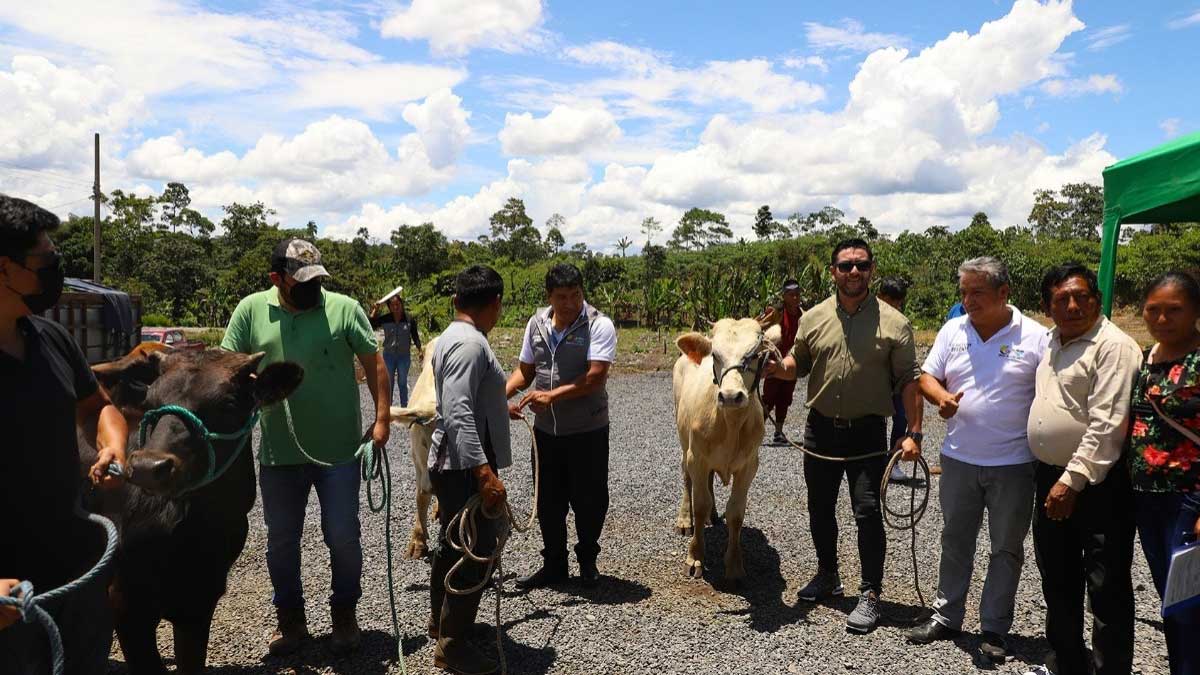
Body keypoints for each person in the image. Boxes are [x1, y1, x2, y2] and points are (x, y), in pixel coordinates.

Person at [221, 238, 390, 656]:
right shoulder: (250, 310)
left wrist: (382, 419)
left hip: (340, 454)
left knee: (343, 536)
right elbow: (226, 368)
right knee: (281, 541)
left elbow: (375, 364)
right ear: (276, 279)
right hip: (279, 455)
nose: (312, 288)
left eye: (317, 279)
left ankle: (344, 614)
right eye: (301, 281)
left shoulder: (344, 309)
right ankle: (291, 622)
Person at [766, 238, 924, 634]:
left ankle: (870, 593)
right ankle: (828, 575)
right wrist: (771, 367)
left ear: (872, 270)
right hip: (819, 430)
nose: (854, 272)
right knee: (819, 508)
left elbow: (909, 380)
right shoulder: (813, 317)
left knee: (867, 513)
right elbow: (795, 364)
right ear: (833, 271)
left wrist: (914, 434)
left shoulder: (894, 322)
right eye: (846, 266)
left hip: (868, 432)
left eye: (862, 265)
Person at [0, 195, 129, 674]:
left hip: (74, 575)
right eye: (46, 261)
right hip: (8, 600)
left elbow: (99, 407)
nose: (56, 269)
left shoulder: (51, 339)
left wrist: (111, 444)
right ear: (5, 268)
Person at [906, 257, 1048, 662]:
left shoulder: (1036, 337)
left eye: (977, 293)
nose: (967, 300)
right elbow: (926, 376)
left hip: (1015, 464)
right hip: (958, 459)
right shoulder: (953, 330)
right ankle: (947, 615)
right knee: (955, 540)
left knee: (1005, 547)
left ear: (1004, 293)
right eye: (964, 292)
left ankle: (994, 628)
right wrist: (941, 398)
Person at [1022, 264, 1141, 675]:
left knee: (1105, 588)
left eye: (1081, 297)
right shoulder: (1052, 342)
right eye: (1061, 299)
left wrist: (1071, 481)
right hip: (1051, 477)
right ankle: (1068, 663)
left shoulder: (1113, 346)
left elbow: (1107, 424)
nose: (1072, 306)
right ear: (1047, 306)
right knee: (1058, 578)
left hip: (1095, 484)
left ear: (1098, 300)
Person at [507, 263, 616, 589]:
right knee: (548, 501)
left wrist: (551, 396)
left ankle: (587, 561)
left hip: (588, 430)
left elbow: (596, 376)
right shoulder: (536, 324)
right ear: (549, 297)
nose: (569, 303)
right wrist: (499, 399)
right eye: (561, 297)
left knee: (590, 498)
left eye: (575, 295)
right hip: (546, 433)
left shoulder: (599, 325)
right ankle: (554, 564)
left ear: (583, 292)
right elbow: (525, 372)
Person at [426, 265, 512, 675]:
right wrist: (483, 472)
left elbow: (463, 401)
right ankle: (453, 645)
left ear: (457, 300)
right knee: (475, 551)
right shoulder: (471, 345)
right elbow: (458, 412)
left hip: (451, 460)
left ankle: (439, 624)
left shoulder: (452, 337)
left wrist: (499, 408)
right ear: (494, 304)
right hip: (462, 464)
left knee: (451, 544)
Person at [1126, 272, 1200, 675]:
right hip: (1148, 497)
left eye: (1175, 310)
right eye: (1153, 310)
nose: (1162, 318)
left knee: (1188, 600)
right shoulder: (1148, 356)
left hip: (1190, 497)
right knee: (1171, 597)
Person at [758, 279, 803, 445]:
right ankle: (755, 430)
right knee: (769, 397)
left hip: (791, 363)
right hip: (773, 363)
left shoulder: (802, 315)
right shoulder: (775, 312)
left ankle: (778, 431)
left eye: (797, 295)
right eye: (792, 295)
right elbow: (757, 325)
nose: (795, 298)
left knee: (785, 397)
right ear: (784, 296)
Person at [878, 277, 911, 483]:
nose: (896, 306)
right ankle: (876, 462)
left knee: (901, 420)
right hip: (878, 383)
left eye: (899, 302)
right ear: (881, 297)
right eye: (893, 301)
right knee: (877, 423)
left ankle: (893, 461)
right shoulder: (868, 318)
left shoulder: (900, 321)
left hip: (897, 382)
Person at [371, 294, 422, 407]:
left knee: (402, 382)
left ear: (402, 304)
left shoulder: (409, 319)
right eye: (393, 305)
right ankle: (388, 408)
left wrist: (420, 350)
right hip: (389, 355)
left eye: (398, 304)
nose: (396, 307)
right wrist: (375, 310)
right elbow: (371, 324)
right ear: (389, 307)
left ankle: (404, 407)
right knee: (389, 383)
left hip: (404, 356)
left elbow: (415, 336)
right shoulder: (386, 319)